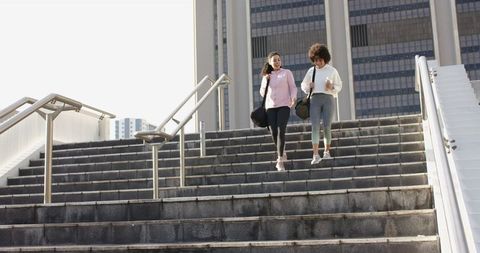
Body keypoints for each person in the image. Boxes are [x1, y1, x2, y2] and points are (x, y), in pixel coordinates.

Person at [301, 43, 342, 165]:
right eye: (315, 60)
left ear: (325, 58)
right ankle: (315, 154)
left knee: (327, 126)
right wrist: (309, 86)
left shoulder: (332, 70)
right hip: (315, 99)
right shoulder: (311, 71)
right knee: (315, 126)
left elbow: (339, 86)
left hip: (328, 98)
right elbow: (303, 85)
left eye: (320, 60)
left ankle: (326, 152)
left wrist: (332, 87)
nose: (318, 62)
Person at [259, 51, 297, 171]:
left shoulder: (286, 73)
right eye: (274, 60)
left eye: (278, 60)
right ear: (270, 63)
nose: (277, 62)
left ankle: (280, 160)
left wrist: (293, 97)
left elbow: (292, 87)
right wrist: (266, 80)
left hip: (284, 105)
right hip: (270, 106)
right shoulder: (266, 76)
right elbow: (262, 92)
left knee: (281, 130)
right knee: (273, 132)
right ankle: (282, 150)